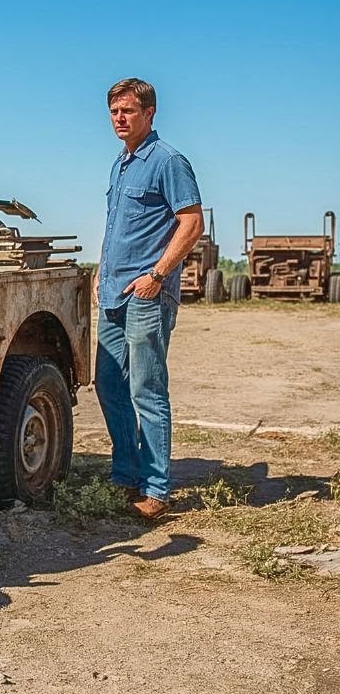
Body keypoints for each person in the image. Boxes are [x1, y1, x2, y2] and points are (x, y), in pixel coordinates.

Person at [94, 78, 204, 519]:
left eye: (128, 111)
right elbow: (118, 227)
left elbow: (191, 223)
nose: (120, 119)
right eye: (114, 112)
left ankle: (156, 489)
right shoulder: (120, 164)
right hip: (112, 294)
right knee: (109, 385)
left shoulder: (168, 161)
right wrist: (102, 270)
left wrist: (156, 276)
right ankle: (126, 474)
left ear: (149, 113)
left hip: (147, 295)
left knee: (147, 389)